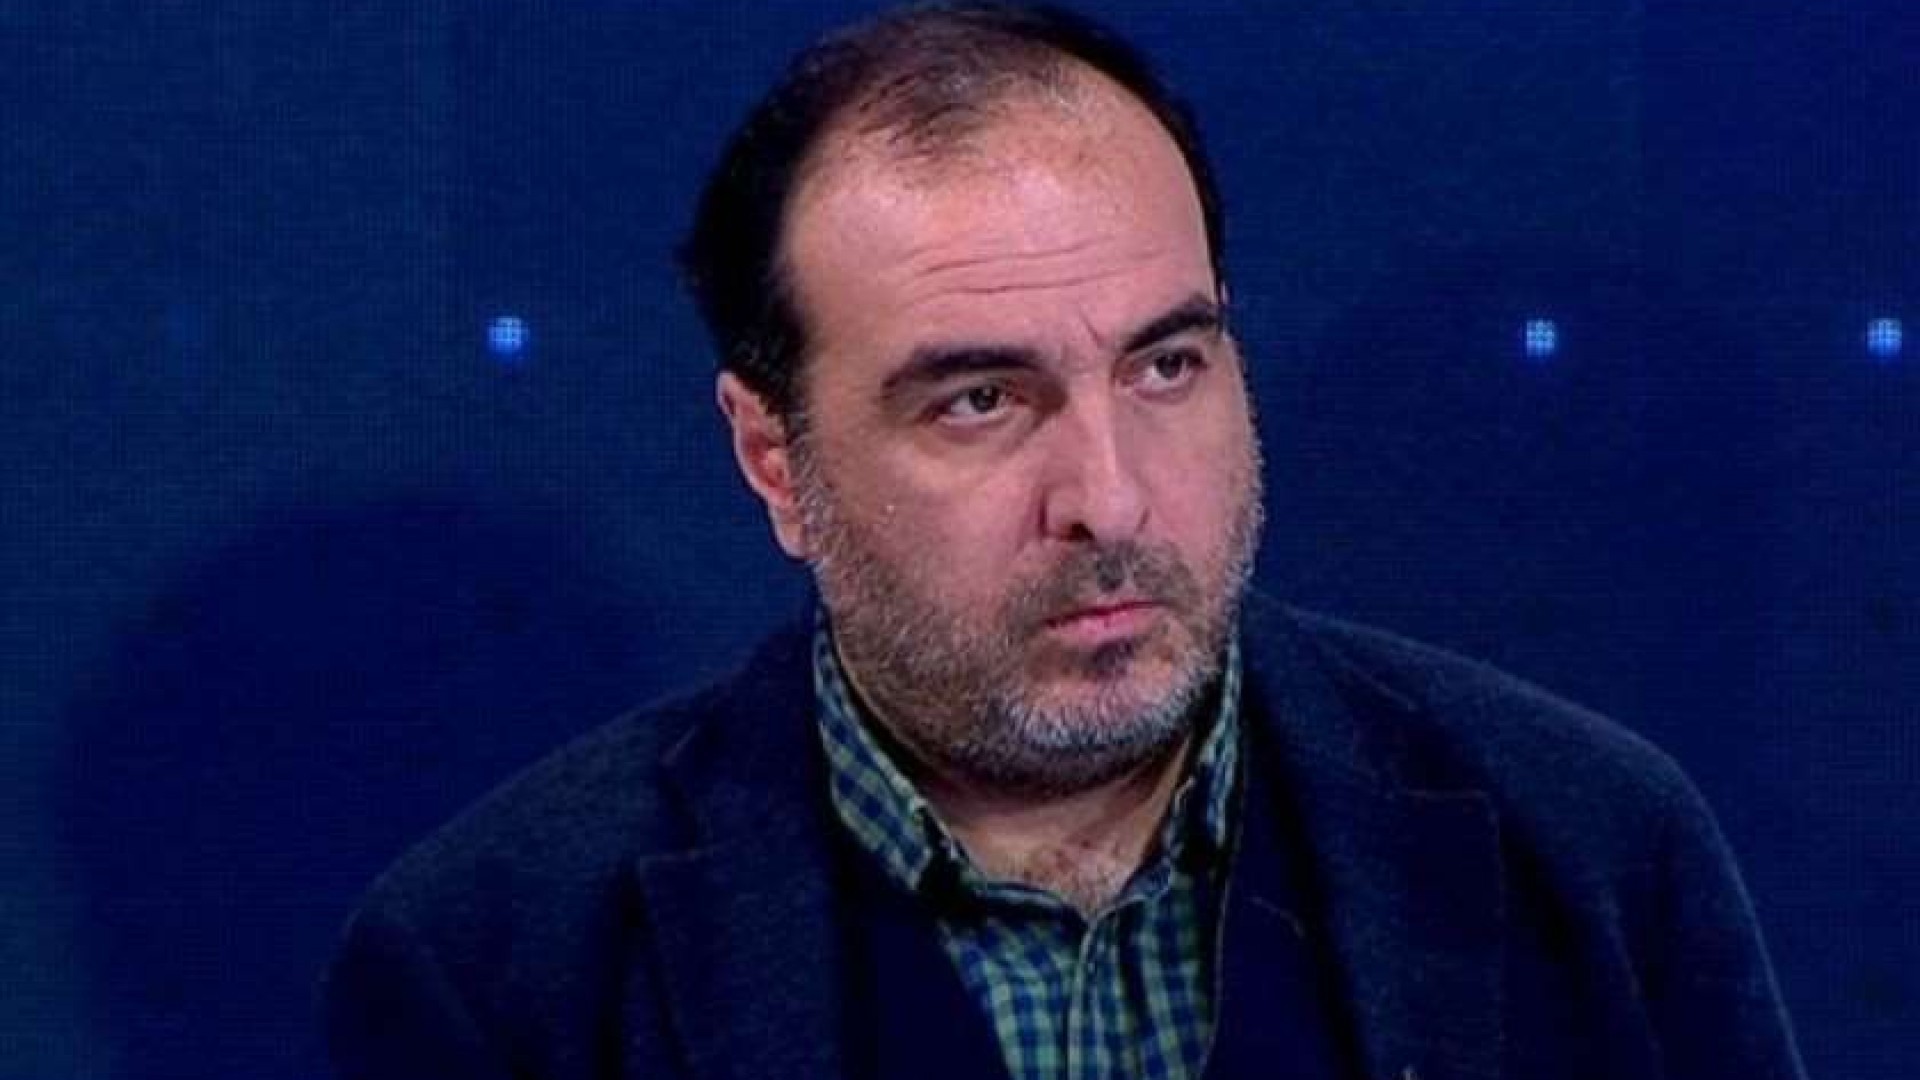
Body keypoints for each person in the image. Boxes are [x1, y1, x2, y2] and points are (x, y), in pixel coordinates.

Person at [324, 4, 1805, 1078]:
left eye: (1167, 366)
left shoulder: (1595, 853)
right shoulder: (502, 968)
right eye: (981, 400)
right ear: (773, 458)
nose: (1111, 498)